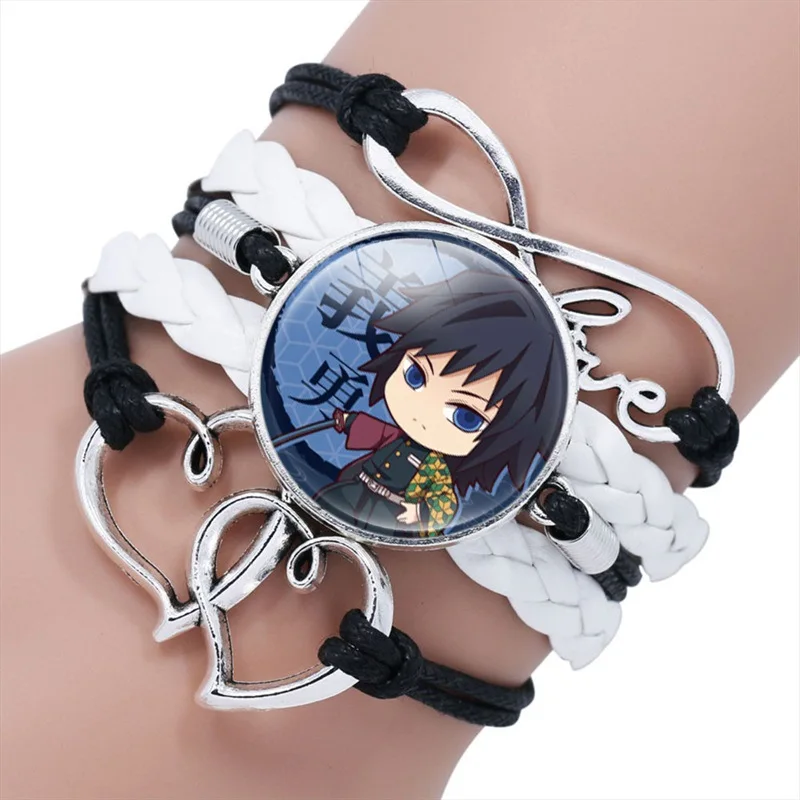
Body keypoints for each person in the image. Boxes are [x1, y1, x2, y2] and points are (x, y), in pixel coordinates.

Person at [1, 2, 797, 798]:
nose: (423, 405)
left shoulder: (436, 484)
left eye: (464, 414)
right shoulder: (343, 414)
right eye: (415, 376)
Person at [317, 270, 557, 536]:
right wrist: (349, 421)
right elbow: (377, 431)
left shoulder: (436, 469)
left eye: (466, 418)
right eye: (415, 375)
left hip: (391, 512)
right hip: (354, 489)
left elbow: (445, 502)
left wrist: (420, 513)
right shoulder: (396, 438)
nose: (422, 413)